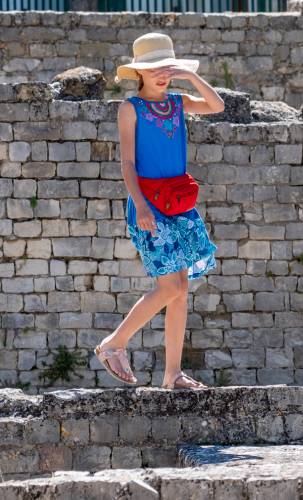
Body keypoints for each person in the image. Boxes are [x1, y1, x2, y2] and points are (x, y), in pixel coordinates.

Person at [94, 33, 225, 390]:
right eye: (155, 69)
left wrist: (191, 76)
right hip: (148, 204)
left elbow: (216, 106)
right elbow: (127, 163)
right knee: (170, 286)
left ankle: (172, 374)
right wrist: (139, 206)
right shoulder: (129, 108)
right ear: (139, 72)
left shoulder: (179, 103)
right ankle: (114, 343)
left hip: (180, 205)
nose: (162, 75)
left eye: (167, 68)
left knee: (181, 288)